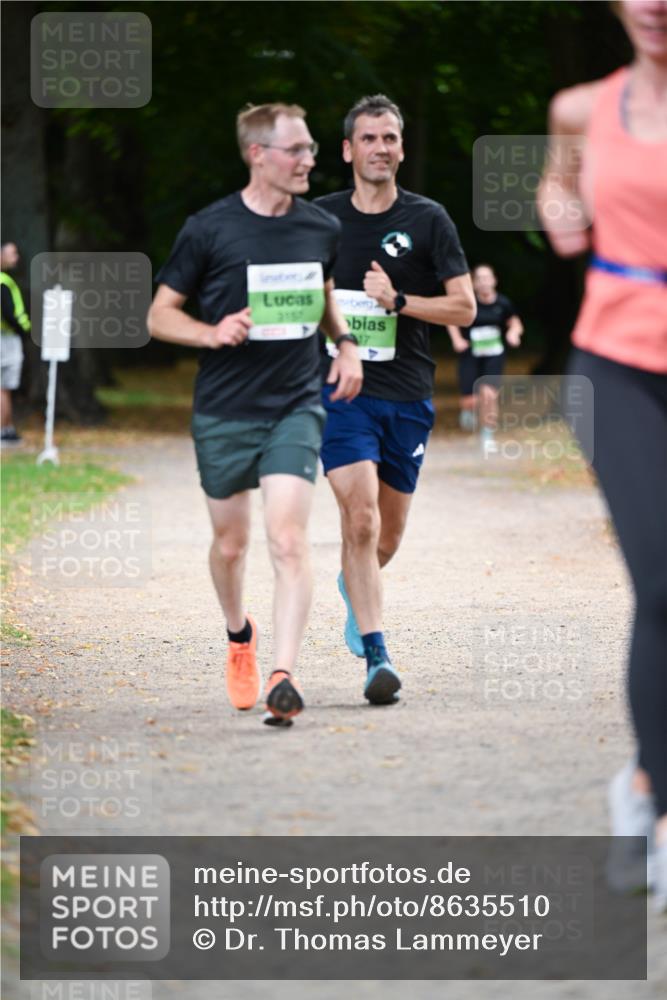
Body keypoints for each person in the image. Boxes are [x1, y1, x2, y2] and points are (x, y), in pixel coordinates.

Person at [147, 103, 362, 727]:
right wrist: (210, 332)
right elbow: (159, 315)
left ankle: (282, 676)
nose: (309, 160)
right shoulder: (209, 229)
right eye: (296, 150)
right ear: (257, 155)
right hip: (225, 407)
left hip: (296, 402)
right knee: (231, 543)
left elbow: (324, 293)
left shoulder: (320, 226)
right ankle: (240, 634)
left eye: (311, 148)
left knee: (288, 539)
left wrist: (346, 342)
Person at [538, 0, 667, 909]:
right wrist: (561, 211)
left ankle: (641, 780)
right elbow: (558, 183)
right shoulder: (581, 107)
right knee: (661, 582)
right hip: (617, 363)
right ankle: (653, 803)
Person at [314, 94, 475, 705]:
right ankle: (378, 656)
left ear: (402, 149)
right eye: (369, 138)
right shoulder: (321, 219)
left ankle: (355, 585)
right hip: (341, 389)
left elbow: (465, 308)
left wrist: (399, 302)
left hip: (407, 393)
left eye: (390, 138)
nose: (380, 148)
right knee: (360, 520)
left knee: (387, 537)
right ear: (347, 149)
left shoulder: (429, 220)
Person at [447, 263, 523, 448]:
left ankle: (488, 435)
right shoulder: (469, 302)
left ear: (494, 280)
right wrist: (457, 340)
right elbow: (451, 320)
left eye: (487, 278)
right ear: (474, 283)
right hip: (470, 355)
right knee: (471, 401)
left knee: (489, 395)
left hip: (494, 355)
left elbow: (515, 323)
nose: (484, 282)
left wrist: (513, 333)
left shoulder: (503, 303)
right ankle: (467, 410)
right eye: (479, 279)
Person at [1, 241, 30, 445]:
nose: (16, 257)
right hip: (6, 339)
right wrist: (23, 329)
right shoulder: (3, 281)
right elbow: (9, 313)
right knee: (3, 386)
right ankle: (3, 431)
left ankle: (7, 428)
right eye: (12, 253)